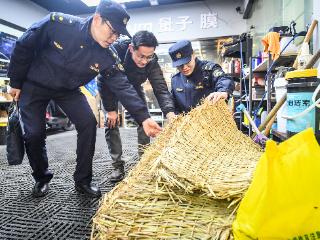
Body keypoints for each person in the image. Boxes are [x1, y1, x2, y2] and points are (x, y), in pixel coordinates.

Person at [7, 0, 161, 199]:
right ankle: (41, 177)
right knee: (34, 134)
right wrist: (16, 81)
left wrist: (144, 117)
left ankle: (83, 180)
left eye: (118, 35)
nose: (114, 38)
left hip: (68, 90)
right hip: (34, 85)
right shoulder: (57, 23)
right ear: (98, 19)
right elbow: (23, 46)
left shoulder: (107, 55)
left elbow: (122, 85)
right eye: (112, 31)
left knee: (88, 123)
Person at [97, 31, 175, 183]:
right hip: (111, 86)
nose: (145, 61)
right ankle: (117, 165)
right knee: (111, 123)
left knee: (145, 120)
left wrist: (169, 112)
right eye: (141, 56)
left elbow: (160, 88)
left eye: (149, 56)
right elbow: (102, 80)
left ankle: (144, 162)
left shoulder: (152, 61)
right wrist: (110, 110)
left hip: (134, 86)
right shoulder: (116, 51)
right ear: (131, 48)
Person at [168, 40, 235, 114]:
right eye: (180, 65)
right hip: (187, 123)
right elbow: (174, 105)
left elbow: (224, 79)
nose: (184, 67)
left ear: (193, 55)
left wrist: (223, 91)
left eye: (187, 62)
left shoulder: (209, 70)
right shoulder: (175, 80)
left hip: (211, 121)